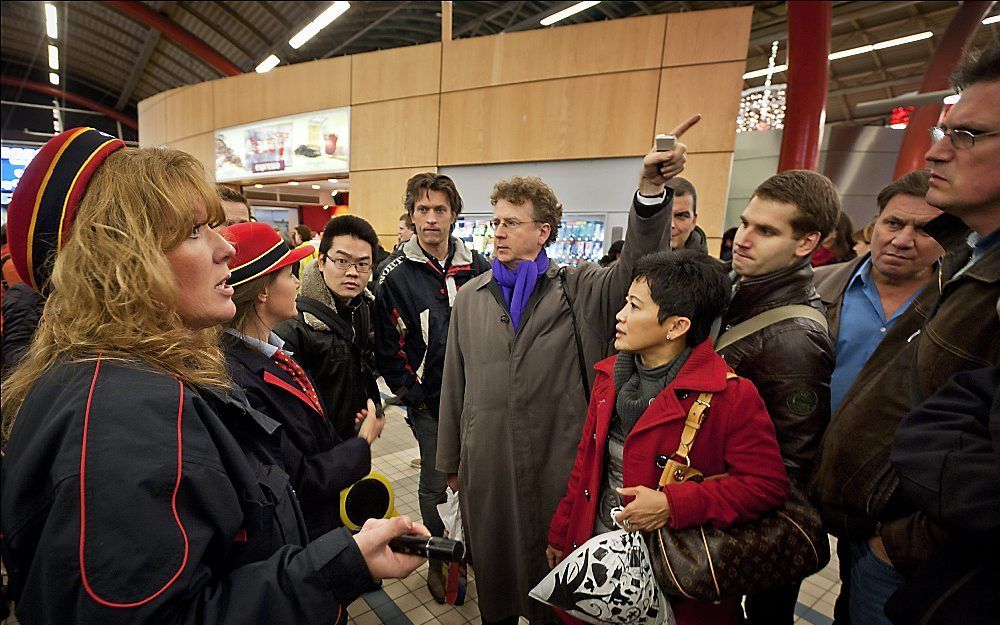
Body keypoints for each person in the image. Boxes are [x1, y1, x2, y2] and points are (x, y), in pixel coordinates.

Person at [0, 128, 426, 625]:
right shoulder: (122, 417)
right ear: (122, 263)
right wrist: (332, 571)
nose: (226, 249)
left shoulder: (128, 379)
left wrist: (343, 558)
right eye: (194, 231)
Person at [437, 114, 698, 625]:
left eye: (512, 222)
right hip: (485, 459)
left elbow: (636, 267)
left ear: (544, 231)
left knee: (554, 574)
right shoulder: (471, 296)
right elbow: (454, 383)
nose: (499, 232)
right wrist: (450, 459)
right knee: (493, 568)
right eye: (496, 221)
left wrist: (649, 192)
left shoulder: (579, 289)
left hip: (557, 460)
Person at [813, 42, 999, 625]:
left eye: (966, 135)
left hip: (920, 561)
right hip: (862, 524)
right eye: (944, 129)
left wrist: (903, 542)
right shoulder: (972, 269)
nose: (937, 150)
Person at [547, 250, 789, 625]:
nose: (620, 316)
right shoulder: (609, 378)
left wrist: (672, 504)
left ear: (676, 326)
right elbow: (586, 464)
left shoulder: (730, 396)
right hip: (598, 559)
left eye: (634, 306)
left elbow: (766, 486)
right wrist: (562, 532)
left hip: (672, 576)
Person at [812, 170, 943, 624]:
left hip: (892, 503)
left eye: (924, 229)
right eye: (893, 223)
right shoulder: (819, 288)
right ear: (874, 226)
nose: (903, 239)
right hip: (807, 476)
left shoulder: (955, 310)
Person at [719, 169, 839, 625]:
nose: (743, 239)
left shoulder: (795, 338)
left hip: (747, 521)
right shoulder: (742, 289)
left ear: (806, 242)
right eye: (746, 223)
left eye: (766, 231)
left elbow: (791, 466)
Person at [222, 221, 383, 541]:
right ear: (263, 289)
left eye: (363, 264)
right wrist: (360, 444)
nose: (298, 283)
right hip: (300, 531)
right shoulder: (240, 377)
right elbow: (297, 478)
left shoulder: (271, 353)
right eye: (289, 274)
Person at [373, 172, 490, 602]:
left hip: (477, 400)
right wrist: (415, 393)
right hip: (431, 404)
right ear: (411, 215)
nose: (431, 219)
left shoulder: (477, 265)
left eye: (440, 209)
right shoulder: (392, 276)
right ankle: (440, 558)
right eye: (422, 210)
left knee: (475, 478)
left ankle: (470, 548)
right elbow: (386, 347)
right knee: (434, 484)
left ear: (454, 215)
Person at [276, 215, 383, 442]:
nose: (353, 272)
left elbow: (361, 367)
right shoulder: (294, 324)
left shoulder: (362, 307)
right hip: (319, 451)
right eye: (342, 261)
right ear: (322, 262)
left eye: (363, 264)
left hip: (353, 435)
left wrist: (372, 410)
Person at [665, 176, 707, 252]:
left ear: (693, 221)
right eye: (664, 216)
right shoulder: (637, 260)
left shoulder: (713, 264)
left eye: (680, 216)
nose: (672, 225)